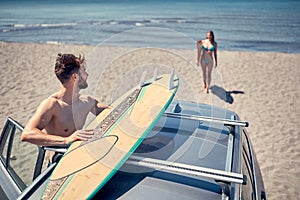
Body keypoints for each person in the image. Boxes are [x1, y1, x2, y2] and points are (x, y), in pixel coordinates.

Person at [21, 53, 111, 148]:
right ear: (74, 77)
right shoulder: (52, 104)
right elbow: (27, 134)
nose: (87, 75)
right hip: (59, 159)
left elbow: (113, 111)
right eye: (84, 71)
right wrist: (66, 140)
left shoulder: (87, 101)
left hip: (79, 154)